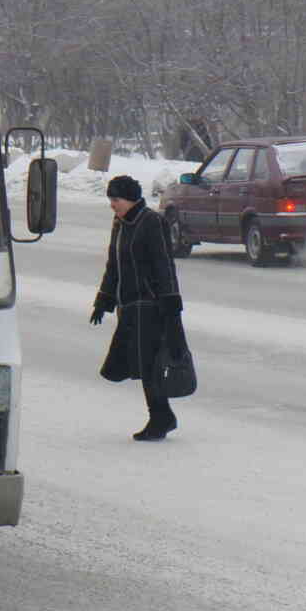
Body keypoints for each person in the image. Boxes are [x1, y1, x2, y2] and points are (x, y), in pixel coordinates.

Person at [91, 175, 187, 442]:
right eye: (110, 199)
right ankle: (162, 415)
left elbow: (164, 265)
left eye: (116, 199)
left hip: (151, 305)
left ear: (130, 198)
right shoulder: (120, 224)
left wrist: (170, 303)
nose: (112, 204)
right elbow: (114, 265)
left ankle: (161, 417)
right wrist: (104, 300)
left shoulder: (151, 222)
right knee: (140, 364)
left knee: (149, 365)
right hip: (129, 307)